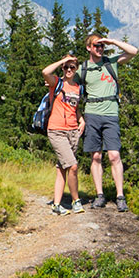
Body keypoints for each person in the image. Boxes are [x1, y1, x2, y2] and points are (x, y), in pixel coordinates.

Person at [78, 34, 139, 211]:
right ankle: (100, 195)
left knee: (114, 155)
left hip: (111, 114)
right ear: (88, 47)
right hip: (91, 115)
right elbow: (70, 88)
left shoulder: (110, 62)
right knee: (95, 156)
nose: (100, 48)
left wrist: (111, 41)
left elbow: (134, 52)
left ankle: (120, 196)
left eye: (101, 46)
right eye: (96, 45)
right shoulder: (83, 69)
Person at [42, 54, 87, 215]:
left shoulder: (78, 88)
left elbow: (73, 108)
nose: (69, 69)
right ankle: (76, 201)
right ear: (62, 68)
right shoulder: (56, 83)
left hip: (73, 131)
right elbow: (45, 71)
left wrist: (81, 120)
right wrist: (63, 60)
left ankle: (56, 205)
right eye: (66, 67)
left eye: (72, 67)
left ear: (76, 69)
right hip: (56, 130)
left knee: (62, 168)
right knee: (73, 166)